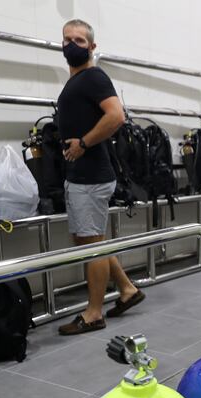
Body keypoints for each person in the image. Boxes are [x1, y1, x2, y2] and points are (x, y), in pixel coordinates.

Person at [57, 19, 144, 336]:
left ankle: (93, 313)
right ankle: (127, 289)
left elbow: (116, 115)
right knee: (88, 240)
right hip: (83, 175)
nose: (72, 44)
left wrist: (84, 143)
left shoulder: (93, 77)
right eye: (67, 39)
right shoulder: (77, 80)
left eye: (80, 40)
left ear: (92, 47)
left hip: (91, 177)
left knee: (90, 246)